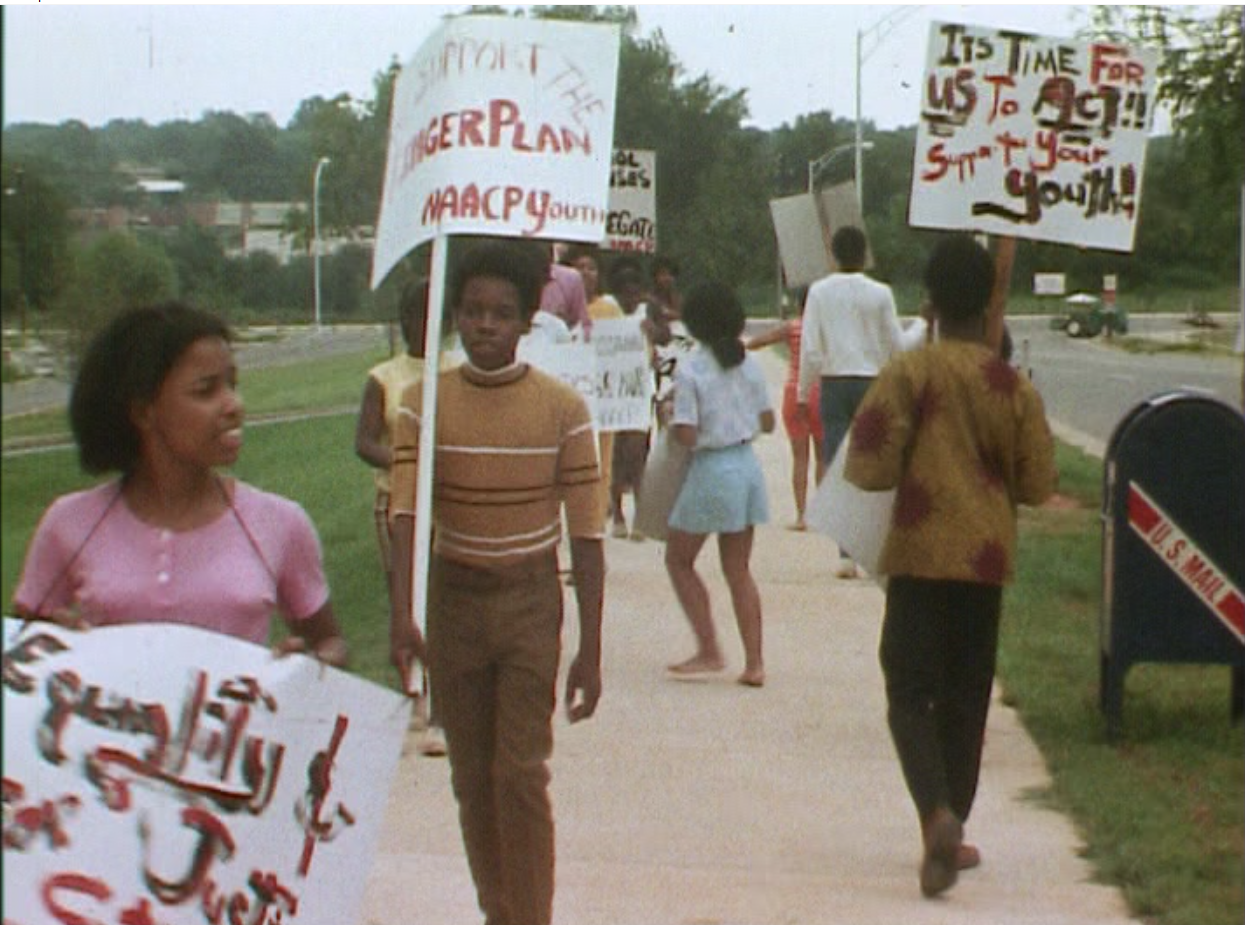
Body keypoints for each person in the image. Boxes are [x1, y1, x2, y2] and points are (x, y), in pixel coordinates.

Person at [387, 240, 605, 925]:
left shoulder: (562, 407)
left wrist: (590, 647)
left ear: (526, 320)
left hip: (529, 601)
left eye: (501, 313)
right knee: (472, 778)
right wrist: (402, 613)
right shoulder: (424, 405)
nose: (485, 324)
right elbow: (405, 515)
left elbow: (588, 534)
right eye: (473, 311)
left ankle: (530, 916)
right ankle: (499, 909)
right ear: (453, 315)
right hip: (455, 601)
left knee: (519, 772)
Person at [843, 234, 1056, 899]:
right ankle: (953, 822)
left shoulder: (908, 373)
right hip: (986, 559)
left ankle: (932, 810)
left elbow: (866, 465)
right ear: (990, 301)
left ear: (928, 302)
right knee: (967, 694)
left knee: (907, 688)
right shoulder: (1009, 384)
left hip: (918, 549)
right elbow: (1037, 482)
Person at [11, 302, 348, 667]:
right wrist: (55, 643)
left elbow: (331, 644)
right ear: (143, 412)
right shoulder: (69, 523)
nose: (234, 405)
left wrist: (312, 665)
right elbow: (19, 658)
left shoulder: (280, 523)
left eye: (232, 385)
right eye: (206, 390)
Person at [664, 281, 775, 688]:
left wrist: (670, 420)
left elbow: (688, 435)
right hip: (747, 465)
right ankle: (755, 662)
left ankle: (709, 647)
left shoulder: (692, 368)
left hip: (712, 467)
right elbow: (768, 422)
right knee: (738, 569)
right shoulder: (749, 363)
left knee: (679, 559)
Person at [354, 279, 447, 757]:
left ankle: (441, 698)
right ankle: (413, 684)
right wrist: (407, 460)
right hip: (398, 501)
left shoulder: (457, 370)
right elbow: (365, 441)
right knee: (405, 592)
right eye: (419, 315)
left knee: (443, 593)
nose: (428, 325)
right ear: (407, 319)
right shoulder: (384, 377)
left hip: (449, 503)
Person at [798, 225, 909, 579]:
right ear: (864, 255)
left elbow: (811, 349)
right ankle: (874, 545)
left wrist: (803, 392)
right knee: (875, 463)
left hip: (834, 381)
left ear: (833, 256)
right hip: (872, 382)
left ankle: (845, 553)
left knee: (839, 465)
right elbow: (897, 344)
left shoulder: (819, 292)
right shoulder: (880, 293)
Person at [746, 287, 826, 531]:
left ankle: (801, 515)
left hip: (794, 392)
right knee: (823, 458)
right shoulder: (825, 331)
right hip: (820, 392)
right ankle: (822, 515)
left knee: (799, 458)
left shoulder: (792, 328)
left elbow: (758, 342)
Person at [604, 256, 652, 539]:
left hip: (638, 391)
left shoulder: (646, 313)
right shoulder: (608, 313)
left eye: (634, 292)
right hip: (611, 394)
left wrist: (652, 331)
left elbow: (666, 336)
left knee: (637, 455)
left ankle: (641, 516)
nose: (630, 298)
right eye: (625, 293)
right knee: (616, 456)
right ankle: (618, 514)